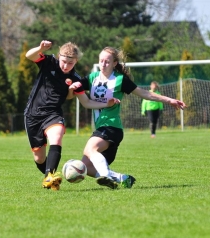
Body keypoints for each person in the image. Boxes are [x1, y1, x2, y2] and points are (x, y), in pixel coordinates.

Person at [74, 46, 186, 190]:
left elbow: (146, 94)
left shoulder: (120, 80)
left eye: (107, 61)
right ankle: (122, 178)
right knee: (85, 166)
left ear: (114, 63)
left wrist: (169, 100)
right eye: (101, 61)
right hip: (101, 128)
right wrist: (75, 84)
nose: (103, 64)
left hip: (112, 126)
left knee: (90, 149)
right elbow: (77, 85)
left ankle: (106, 175)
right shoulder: (92, 78)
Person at [24, 40, 120, 191]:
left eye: (70, 63)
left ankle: (49, 176)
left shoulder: (76, 78)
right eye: (63, 62)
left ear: (76, 61)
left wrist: (71, 91)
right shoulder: (49, 62)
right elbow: (29, 55)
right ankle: (52, 178)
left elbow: (73, 98)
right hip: (32, 114)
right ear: (58, 57)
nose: (66, 66)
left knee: (57, 136)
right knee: (39, 158)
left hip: (53, 114)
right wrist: (40, 48)